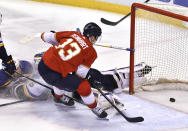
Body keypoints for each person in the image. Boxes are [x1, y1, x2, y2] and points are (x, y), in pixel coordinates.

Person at [37, 22, 152, 118]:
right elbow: (79, 75)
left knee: (64, 75)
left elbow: (45, 36)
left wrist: (56, 36)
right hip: (54, 76)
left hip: (42, 66)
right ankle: (93, 107)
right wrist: (88, 79)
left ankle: (58, 97)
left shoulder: (72, 34)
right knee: (82, 85)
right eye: (96, 37)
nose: (95, 40)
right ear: (92, 37)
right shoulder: (91, 53)